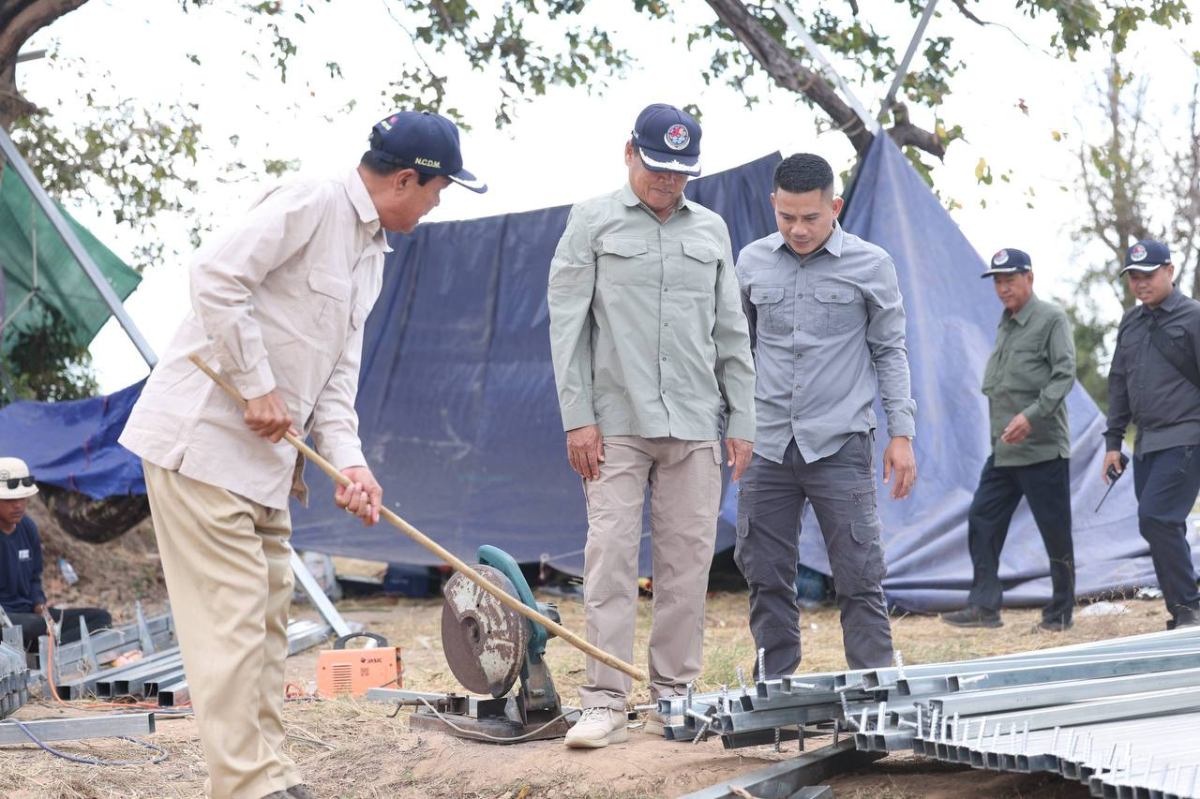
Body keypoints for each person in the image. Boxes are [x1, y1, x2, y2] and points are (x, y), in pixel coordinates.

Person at [119, 111, 485, 799]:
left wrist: (350, 463)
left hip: (264, 468)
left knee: (265, 627)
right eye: (438, 191)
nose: (437, 205)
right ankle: (247, 786)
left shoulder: (372, 254)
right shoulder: (312, 201)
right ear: (406, 180)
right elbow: (214, 275)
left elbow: (336, 379)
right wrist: (257, 384)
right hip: (202, 446)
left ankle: (273, 775)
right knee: (231, 626)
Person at [547, 103, 756, 749]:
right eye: (657, 166)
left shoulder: (712, 229)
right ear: (629, 152)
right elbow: (567, 326)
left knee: (686, 564)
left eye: (680, 171)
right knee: (609, 558)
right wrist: (577, 419)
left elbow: (731, 329)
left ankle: (675, 697)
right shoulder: (591, 220)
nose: (668, 180)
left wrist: (743, 417)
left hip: (695, 421)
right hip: (614, 422)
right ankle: (605, 701)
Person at [734, 153, 916, 678]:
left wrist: (901, 433)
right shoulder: (751, 262)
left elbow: (890, 351)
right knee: (764, 572)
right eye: (786, 216)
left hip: (841, 441)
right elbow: (734, 350)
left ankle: (873, 684)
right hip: (767, 443)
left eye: (811, 217)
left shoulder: (871, 265)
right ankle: (775, 686)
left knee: (859, 572)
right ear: (774, 204)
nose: (797, 229)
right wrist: (732, 424)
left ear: (834, 208)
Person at [941, 249, 1076, 632]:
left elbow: (1064, 374)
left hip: (1043, 449)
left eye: (1010, 280)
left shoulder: (1051, 318)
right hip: (1004, 450)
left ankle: (1061, 613)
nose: (1003, 288)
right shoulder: (1007, 322)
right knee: (982, 518)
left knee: (1055, 533)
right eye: (998, 282)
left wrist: (1031, 416)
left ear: (1029, 278)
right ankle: (985, 606)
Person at [1104, 239, 1200, 630]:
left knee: (1157, 516)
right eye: (1133, 277)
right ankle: (1183, 610)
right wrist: (1113, 443)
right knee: (1158, 524)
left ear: (1169, 271)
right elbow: (1118, 382)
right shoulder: (1131, 322)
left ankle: (1189, 607)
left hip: (1186, 437)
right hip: (1146, 442)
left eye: (1148, 274)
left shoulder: (1193, 317)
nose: (1140, 283)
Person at [0, 457, 112, 652]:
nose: (18, 505)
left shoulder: (28, 528)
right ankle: (47, 646)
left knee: (100, 619)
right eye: (10, 500)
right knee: (37, 627)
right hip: (6, 620)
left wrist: (40, 607)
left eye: (22, 498)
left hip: (29, 616)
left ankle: (48, 649)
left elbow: (34, 579)